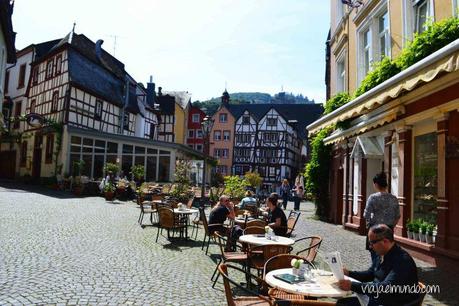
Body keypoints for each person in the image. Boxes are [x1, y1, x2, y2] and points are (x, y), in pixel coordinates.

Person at [337, 224, 420, 306]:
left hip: (394, 302)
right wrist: (349, 273)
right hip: (378, 298)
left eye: (372, 242)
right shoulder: (381, 253)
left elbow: (385, 288)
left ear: (385, 241)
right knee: (342, 303)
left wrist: (352, 285)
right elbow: (371, 273)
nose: (370, 246)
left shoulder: (402, 260)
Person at [364, 172, 400, 261]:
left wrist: (369, 225)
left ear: (376, 184)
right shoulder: (393, 198)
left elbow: (366, 215)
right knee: (388, 253)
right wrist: (391, 226)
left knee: (375, 253)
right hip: (388, 230)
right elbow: (398, 216)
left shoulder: (372, 198)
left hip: (375, 230)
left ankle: (376, 270)